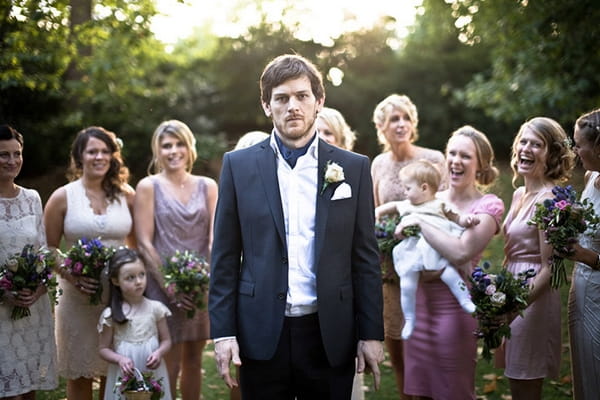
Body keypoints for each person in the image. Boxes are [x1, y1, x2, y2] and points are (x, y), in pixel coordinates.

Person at [208, 54, 384, 400]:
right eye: (281, 98)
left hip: (329, 332)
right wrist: (223, 333)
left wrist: (371, 334)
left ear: (319, 102)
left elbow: (364, 258)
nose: (292, 106)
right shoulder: (238, 166)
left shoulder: (353, 168)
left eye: (302, 96)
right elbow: (225, 257)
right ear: (266, 105)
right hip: (260, 332)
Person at [397, 125, 504, 399]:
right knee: (419, 392)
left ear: (480, 165)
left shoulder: (488, 207)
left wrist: (419, 221)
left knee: (453, 391)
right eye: (452, 153)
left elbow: (460, 253)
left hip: (454, 310)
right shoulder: (433, 199)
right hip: (419, 306)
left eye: (466, 156)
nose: (456, 161)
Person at [44, 126, 136, 400]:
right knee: (80, 374)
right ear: (79, 156)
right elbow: (47, 249)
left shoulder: (126, 195)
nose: (99, 157)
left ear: (113, 156)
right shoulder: (63, 196)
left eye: (105, 151)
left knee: (114, 373)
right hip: (76, 299)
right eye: (92, 151)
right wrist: (72, 275)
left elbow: (136, 246)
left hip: (117, 298)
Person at [135, 119, 217, 400]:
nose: (173, 151)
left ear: (189, 147)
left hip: (200, 285)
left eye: (179, 144)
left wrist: (202, 278)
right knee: (170, 363)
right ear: (157, 151)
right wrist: (170, 285)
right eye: (166, 145)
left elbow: (214, 238)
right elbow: (144, 242)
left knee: (195, 360)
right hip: (162, 287)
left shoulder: (208, 186)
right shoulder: (148, 186)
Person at [369, 93, 446, 397]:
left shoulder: (433, 160)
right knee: (400, 362)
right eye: (393, 119)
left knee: (427, 362)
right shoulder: (378, 164)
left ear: (414, 124)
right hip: (390, 275)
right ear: (381, 127)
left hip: (428, 273)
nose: (400, 125)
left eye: (406, 118)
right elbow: (376, 216)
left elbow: (445, 209)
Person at [495, 117, 574, 400]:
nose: (526, 148)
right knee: (516, 382)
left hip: (533, 299)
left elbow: (551, 267)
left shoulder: (550, 200)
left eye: (537, 144)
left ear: (551, 154)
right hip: (512, 291)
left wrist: (515, 306)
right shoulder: (518, 194)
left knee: (525, 384)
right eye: (523, 141)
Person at [375, 160, 478, 340]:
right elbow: (388, 207)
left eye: (408, 188)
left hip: (435, 249)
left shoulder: (439, 204)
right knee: (407, 285)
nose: (404, 193)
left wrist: (467, 220)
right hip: (412, 251)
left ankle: (465, 299)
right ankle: (409, 319)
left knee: (450, 275)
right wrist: (377, 213)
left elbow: (456, 218)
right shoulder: (407, 205)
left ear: (424, 187)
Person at [0, 125, 58, 399]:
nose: (12, 161)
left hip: (32, 305)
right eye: (3, 155)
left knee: (29, 385)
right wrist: (4, 292)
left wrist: (39, 288)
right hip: (1, 307)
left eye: (17, 154)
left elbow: (43, 250)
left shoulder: (32, 198)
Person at [98, 248, 172, 400]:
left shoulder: (156, 308)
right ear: (115, 281)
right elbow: (103, 349)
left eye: (141, 275)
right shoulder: (111, 315)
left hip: (153, 373)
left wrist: (159, 353)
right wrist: (120, 359)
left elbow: (166, 340)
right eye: (130, 278)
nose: (138, 281)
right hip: (125, 376)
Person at [566, 108, 600, 399]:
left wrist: (585, 256)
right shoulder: (590, 177)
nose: (575, 150)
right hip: (581, 290)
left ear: (599, 146)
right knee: (584, 370)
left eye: (579, 144)